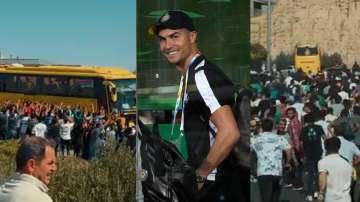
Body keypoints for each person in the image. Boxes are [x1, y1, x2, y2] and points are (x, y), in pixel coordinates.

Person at [150, 10, 241, 201]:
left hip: (213, 186)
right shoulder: (190, 75)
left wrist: (200, 175)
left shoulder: (201, 75)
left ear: (192, 36)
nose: (167, 45)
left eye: (175, 36)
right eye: (162, 39)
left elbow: (230, 132)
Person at [0, 136, 57, 202]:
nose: (54, 168)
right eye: (50, 163)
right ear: (31, 165)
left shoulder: (2, 189)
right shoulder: (39, 198)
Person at [251, 118, 291, 202]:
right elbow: (288, 150)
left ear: (262, 127)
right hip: (277, 171)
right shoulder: (280, 138)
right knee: (275, 197)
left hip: (263, 171)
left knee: (265, 197)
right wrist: (287, 163)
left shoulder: (255, 139)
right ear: (272, 127)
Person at [318, 137, 352, 202]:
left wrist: (321, 194)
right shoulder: (347, 163)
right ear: (339, 147)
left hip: (331, 198)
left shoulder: (323, 162)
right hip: (346, 198)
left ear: (325, 148)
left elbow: (322, 178)